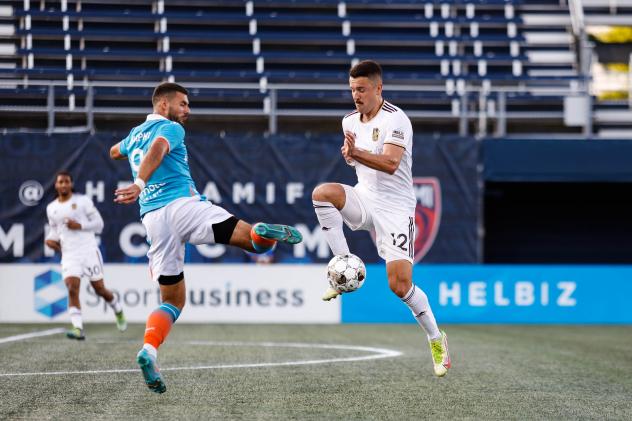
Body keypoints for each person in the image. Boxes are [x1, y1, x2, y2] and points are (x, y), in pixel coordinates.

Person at [109, 82, 303, 394]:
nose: (187, 110)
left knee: (172, 300)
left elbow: (114, 151)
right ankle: (261, 234)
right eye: (182, 104)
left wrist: (128, 151)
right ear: (163, 105)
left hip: (154, 221)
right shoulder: (171, 129)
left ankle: (149, 351)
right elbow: (158, 147)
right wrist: (141, 181)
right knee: (251, 239)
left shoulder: (134, 135)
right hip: (183, 206)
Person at [311, 60, 451, 377]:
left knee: (399, 286)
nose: (356, 96)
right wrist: (350, 157)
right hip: (365, 198)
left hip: (396, 209)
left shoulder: (396, 119)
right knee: (322, 194)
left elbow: (389, 163)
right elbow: (359, 164)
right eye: (352, 90)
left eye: (362, 89)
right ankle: (341, 267)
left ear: (378, 88)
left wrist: (354, 153)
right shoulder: (349, 121)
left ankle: (435, 338)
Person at [45, 171, 127, 340]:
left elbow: (100, 224)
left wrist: (79, 225)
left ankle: (117, 308)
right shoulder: (51, 208)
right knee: (72, 288)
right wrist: (51, 241)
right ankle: (77, 328)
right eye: (60, 182)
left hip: (88, 251)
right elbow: (55, 231)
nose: (64, 185)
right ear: (56, 185)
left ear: (71, 184)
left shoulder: (83, 201)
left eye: (66, 181)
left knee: (99, 289)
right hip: (69, 255)